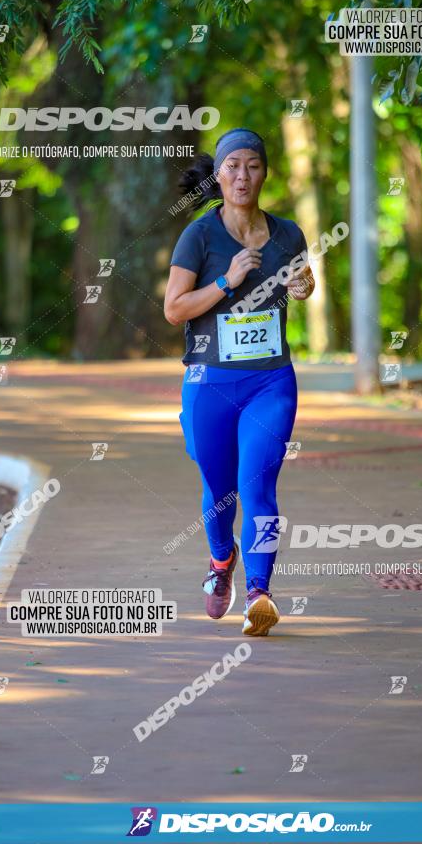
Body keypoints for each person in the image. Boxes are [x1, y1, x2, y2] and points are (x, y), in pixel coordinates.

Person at [164, 128, 315, 636]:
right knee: (220, 493)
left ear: (265, 171)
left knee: (260, 484)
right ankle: (221, 561)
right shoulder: (200, 237)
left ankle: (260, 593)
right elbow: (173, 309)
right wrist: (226, 281)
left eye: (252, 165)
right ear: (219, 174)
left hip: (270, 381)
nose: (243, 176)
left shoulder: (289, 233)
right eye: (233, 166)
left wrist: (304, 284)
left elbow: (304, 280)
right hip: (209, 383)